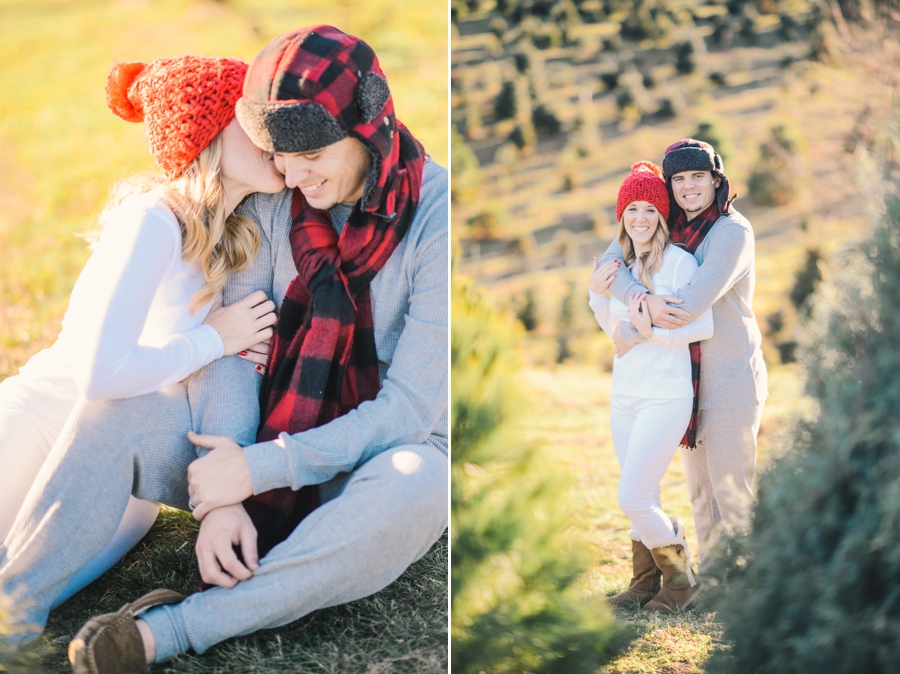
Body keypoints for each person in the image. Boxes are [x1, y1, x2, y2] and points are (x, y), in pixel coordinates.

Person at [0, 25, 448, 674]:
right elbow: (235, 353)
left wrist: (261, 469)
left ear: (367, 127)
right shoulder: (279, 199)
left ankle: (167, 632)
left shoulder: (436, 216)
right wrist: (224, 493)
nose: (290, 174)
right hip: (247, 435)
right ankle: (12, 615)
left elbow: (409, 410)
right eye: (277, 153)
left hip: (373, 450)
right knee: (113, 414)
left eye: (308, 155)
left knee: (417, 485)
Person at [0, 54, 281, 608]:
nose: (271, 134)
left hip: (126, 484)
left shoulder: (239, 236)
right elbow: (100, 374)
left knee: (14, 598)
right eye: (252, 119)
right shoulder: (153, 220)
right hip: (39, 423)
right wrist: (213, 340)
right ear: (211, 135)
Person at [599, 140, 768, 576]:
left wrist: (634, 330)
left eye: (698, 177)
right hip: (685, 378)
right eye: (678, 179)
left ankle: (743, 586)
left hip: (729, 375)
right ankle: (712, 579)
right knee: (700, 491)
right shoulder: (668, 221)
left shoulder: (731, 231)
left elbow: (688, 307)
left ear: (716, 179)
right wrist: (635, 294)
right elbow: (611, 260)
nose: (689, 187)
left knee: (731, 488)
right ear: (669, 185)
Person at [590, 161, 712, 611]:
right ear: (621, 215)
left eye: (649, 209)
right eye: (631, 208)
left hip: (666, 394)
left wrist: (647, 331)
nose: (639, 218)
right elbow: (612, 331)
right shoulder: (619, 265)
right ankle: (644, 583)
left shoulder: (680, 264)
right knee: (643, 494)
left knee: (633, 496)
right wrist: (597, 295)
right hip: (625, 396)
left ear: (662, 216)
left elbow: (704, 325)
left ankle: (681, 582)